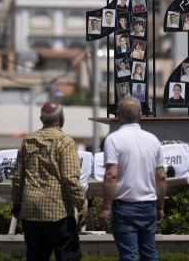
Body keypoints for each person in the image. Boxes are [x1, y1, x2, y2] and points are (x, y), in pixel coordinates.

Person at [11, 101, 87, 261]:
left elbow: (18, 178)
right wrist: (81, 206)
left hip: (30, 210)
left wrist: (17, 204)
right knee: (68, 255)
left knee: (36, 257)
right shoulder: (65, 142)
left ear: (41, 118)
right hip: (57, 211)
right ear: (62, 119)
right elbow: (69, 179)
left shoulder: (27, 141)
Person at [98, 98, 166, 261]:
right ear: (140, 115)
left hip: (125, 207)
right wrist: (160, 206)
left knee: (129, 255)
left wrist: (106, 207)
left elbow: (111, 175)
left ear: (118, 114)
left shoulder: (114, 139)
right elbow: (161, 176)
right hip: (148, 205)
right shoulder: (153, 140)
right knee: (149, 253)